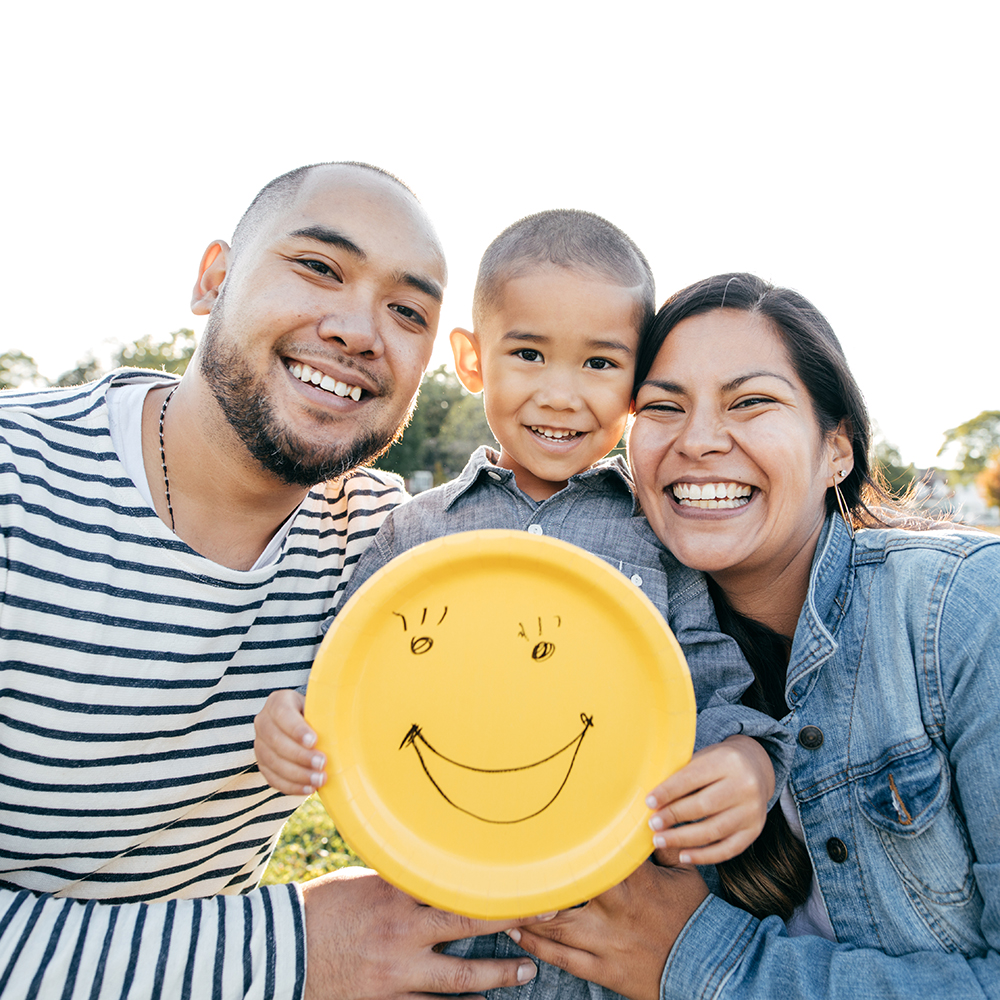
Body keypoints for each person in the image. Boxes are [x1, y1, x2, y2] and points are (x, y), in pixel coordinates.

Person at [0, 162, 541, 1000]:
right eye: (320, 266)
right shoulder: (17, 485)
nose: (361, 331)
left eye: (408, 312)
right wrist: (293, 951)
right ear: (213, 279)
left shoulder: (392, 547)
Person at [501, 273, 1000, 1000]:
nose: (700, 440)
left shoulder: (962, 611)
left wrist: (702, 963)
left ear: (837, 451)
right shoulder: (596, 635)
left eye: (752, 402)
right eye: (663, 407)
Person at [256, 218, 793, 887]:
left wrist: (748, 760)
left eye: (599, 363)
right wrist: (292, 722)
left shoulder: (658, 538)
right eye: (529, 355)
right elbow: (347, 680)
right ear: (473, 360)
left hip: (610, 911)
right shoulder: (411, 533)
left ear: (637, 384)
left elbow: (713, 688)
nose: (560, 395)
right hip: (441, 890)